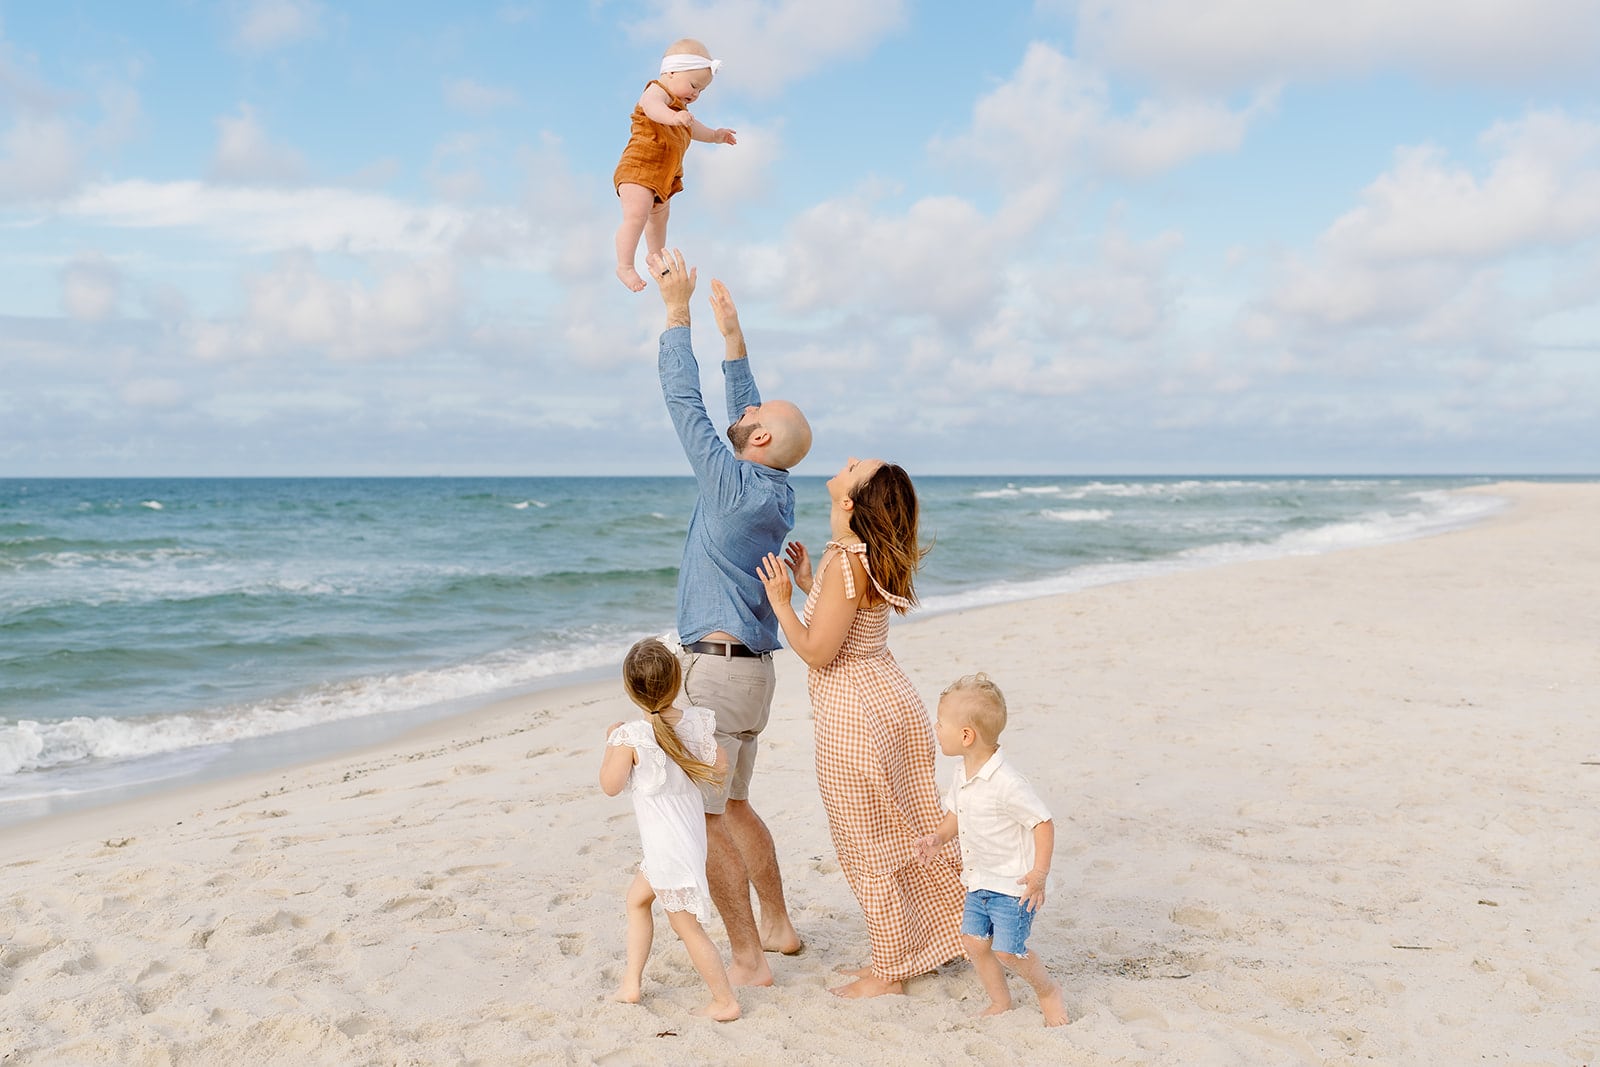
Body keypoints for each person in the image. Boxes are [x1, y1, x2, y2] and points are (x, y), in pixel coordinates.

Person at [648, 247, 808, 987]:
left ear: (761, 440)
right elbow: (751, 418)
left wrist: (677, 315)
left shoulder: (734, 487)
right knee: (737, 804)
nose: (741, 411)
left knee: (709, 818)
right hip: (754, 674)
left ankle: (747, 955)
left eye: (750, 414)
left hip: (714, 674)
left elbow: (688, 408)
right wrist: (734, 337)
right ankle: (776, 924)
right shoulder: (776, 491)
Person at [755, 457, 966, 998]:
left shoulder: (847, 563)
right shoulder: (852, 557)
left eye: (854, 468)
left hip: (858, 713)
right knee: (905, 829)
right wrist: (808, 586)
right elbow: (843, 622)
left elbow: (819, 652)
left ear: (850, 501)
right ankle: (930, 941)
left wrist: (781, 603)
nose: (845, 462)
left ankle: (890, 972)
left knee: (867, 843)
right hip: (887, 701)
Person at [914, 673, 1068, 1027]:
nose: (935, 728)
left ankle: (1048, 990)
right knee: (973, 941)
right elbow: (956, 812)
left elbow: (1042, 822)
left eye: (940, 723)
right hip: (979, 879)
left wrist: (1039, 874)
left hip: (1014, 886)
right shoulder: (963, 771)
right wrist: (938, 838)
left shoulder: (1007, 782)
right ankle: (1001, 1001)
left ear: (966, 735)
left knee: (1007, 950)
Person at [600, 637, 740, 1021]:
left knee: (687, 928)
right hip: (684, 840)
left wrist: (611, 743)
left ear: (631, 691)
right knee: (637, 900)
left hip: (668, 849)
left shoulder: (631, 736)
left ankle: (724, 1001)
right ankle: (631, 984)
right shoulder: (696, 723)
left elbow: (610, 786)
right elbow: (721, 764)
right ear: (677, 681)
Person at [613, 39, 737, 292]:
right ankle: (624, 265)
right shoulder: (657, 91)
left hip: (663, 176)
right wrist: (673, 116)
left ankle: (655, 255)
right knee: (636, 215)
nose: (695, 94)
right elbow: (652, 107)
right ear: (670, 73)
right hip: (639, 167)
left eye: (700, 91)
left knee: (659, 218)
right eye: (693, 85)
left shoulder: (682, 110)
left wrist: (715, 135)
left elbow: (695, 128)